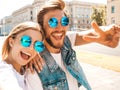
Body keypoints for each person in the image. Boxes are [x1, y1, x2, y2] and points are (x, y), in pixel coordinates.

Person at [29, 0, 120, 90]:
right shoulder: (34, 67)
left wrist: (109, 32)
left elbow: (89, 34)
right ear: (41, 27)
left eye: (64, 21)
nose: (60, 28)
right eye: (52, 22)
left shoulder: (66, 41)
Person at [0, 22, 45, 90]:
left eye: (37, 45)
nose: (31, 48)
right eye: (26, 41)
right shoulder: (4, 70)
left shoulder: (27, 70)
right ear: (11, 42)